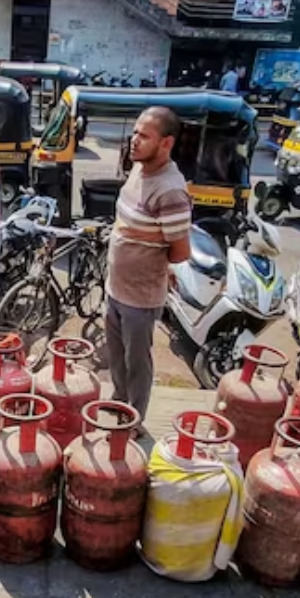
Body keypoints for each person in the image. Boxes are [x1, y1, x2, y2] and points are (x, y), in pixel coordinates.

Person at [105, 107, 192, 420]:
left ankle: (134, 419)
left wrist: (150, 263)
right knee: (116, 358)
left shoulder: (170, 190)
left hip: (140, 299)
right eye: (135, 133)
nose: (135, 140)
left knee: (137, 363)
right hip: (115, 288)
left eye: (144, 136)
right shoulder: (139, 169)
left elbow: (180, 252)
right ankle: (118, 402)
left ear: (166, 143)